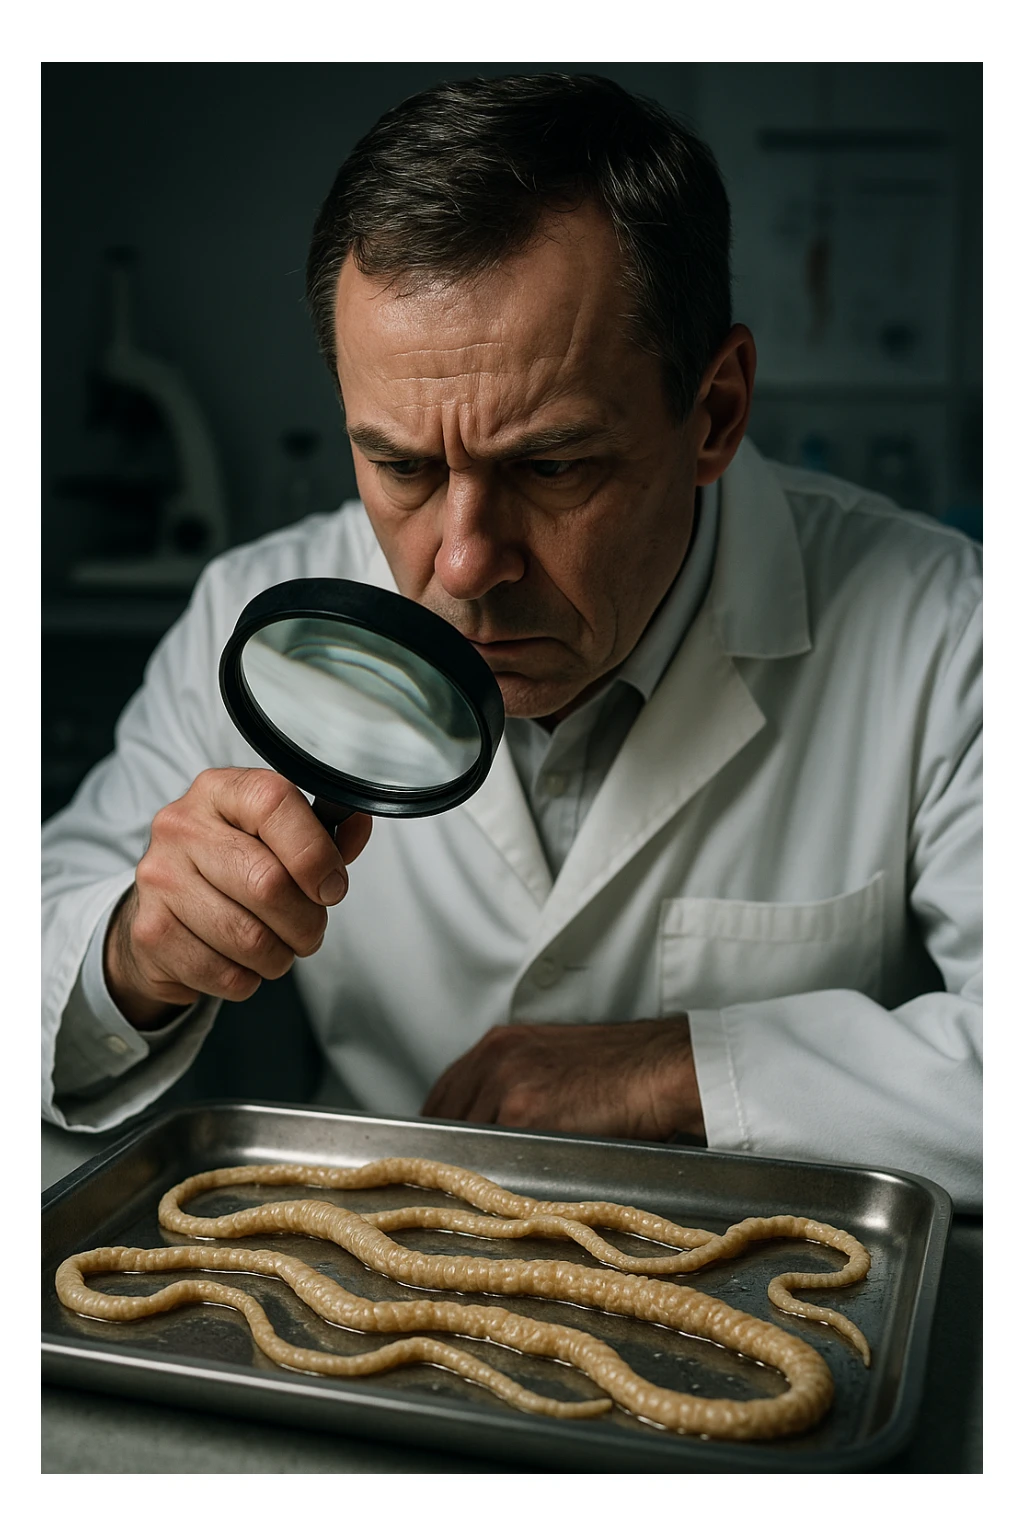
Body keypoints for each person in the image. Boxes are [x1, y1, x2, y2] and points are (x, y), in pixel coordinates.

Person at [41, 73, 981, 1211]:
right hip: (372, 1269)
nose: (462, 563)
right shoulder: (258, 607)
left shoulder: (949, 633)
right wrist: (133, 956)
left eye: (550, 466)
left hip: (754, 1282)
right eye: (400, 466)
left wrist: (680, 1070)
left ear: (716, 412)